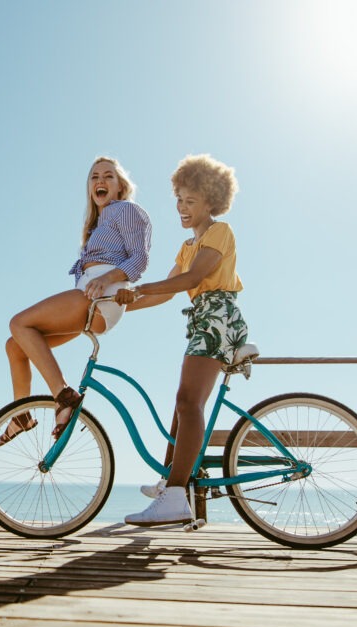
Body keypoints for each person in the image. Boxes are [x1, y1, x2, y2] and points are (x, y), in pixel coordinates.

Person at [114, 154, 248, 526]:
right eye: (179, 199)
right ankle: (170, 484)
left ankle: (175, 495)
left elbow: (191, 280)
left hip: (218, 318)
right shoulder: (186, 248)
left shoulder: (219, 232)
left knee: (189, 403)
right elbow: (164, 294)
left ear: (211, 202)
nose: (182, 208)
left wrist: (138, 287)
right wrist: (116, 311)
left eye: (191, 201)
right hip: (203, 321)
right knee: (182, 407)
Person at [0, 156, 152, 445]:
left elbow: (140, 258)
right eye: (94, 177)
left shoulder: (126, 210)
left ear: (120, 187)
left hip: (100, 297)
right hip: (92, 298)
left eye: (108, 176)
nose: (100, 181)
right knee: (15, 345)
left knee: (18, 323)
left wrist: (106, 281)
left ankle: (64, 395)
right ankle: (20, 415)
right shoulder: (98, 223)